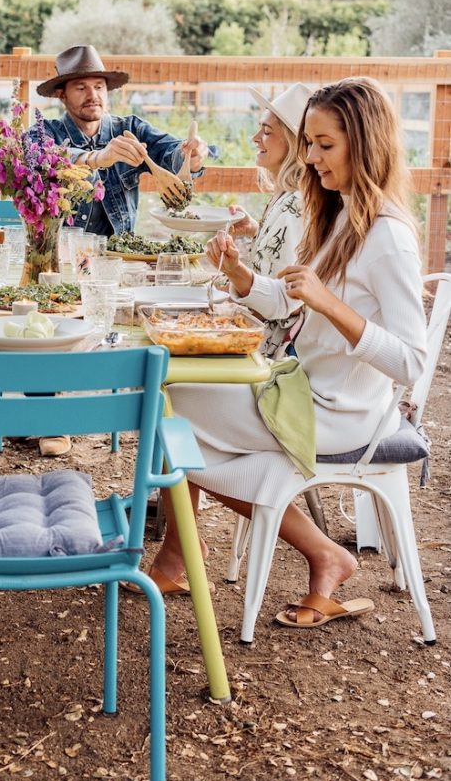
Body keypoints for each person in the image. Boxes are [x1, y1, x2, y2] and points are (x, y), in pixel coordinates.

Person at [142, 77, 427, 630]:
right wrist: (240, 275)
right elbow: (286, 301)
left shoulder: (388, 236)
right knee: (173, 408)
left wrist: (334, 307)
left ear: (365, 145)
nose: (312, 157)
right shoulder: (339, 214)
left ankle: (201, 557)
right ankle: (315, 554)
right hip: (299, 388)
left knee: (170, 405)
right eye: (310, 143)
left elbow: (413, 363)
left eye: (326, 145)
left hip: (344, 413)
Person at [37, 45, 215, 236]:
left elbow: (170, 154)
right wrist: (96, 158)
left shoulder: (131, 128)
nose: (93, 96)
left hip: (121, 255)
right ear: (62, 95)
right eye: (81, 88)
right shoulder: (45, 132)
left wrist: (190, 155)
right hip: (62, 255)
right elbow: (43, 158)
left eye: (99, 87)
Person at [225, 82, 311, 357]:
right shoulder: (288, 197)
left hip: (276, 353)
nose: (255, 137)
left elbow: (282, 302)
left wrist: (234, 269)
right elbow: (291, 255)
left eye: (267, 131)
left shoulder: (292, 204)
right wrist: (258, 231)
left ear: (293, 143)